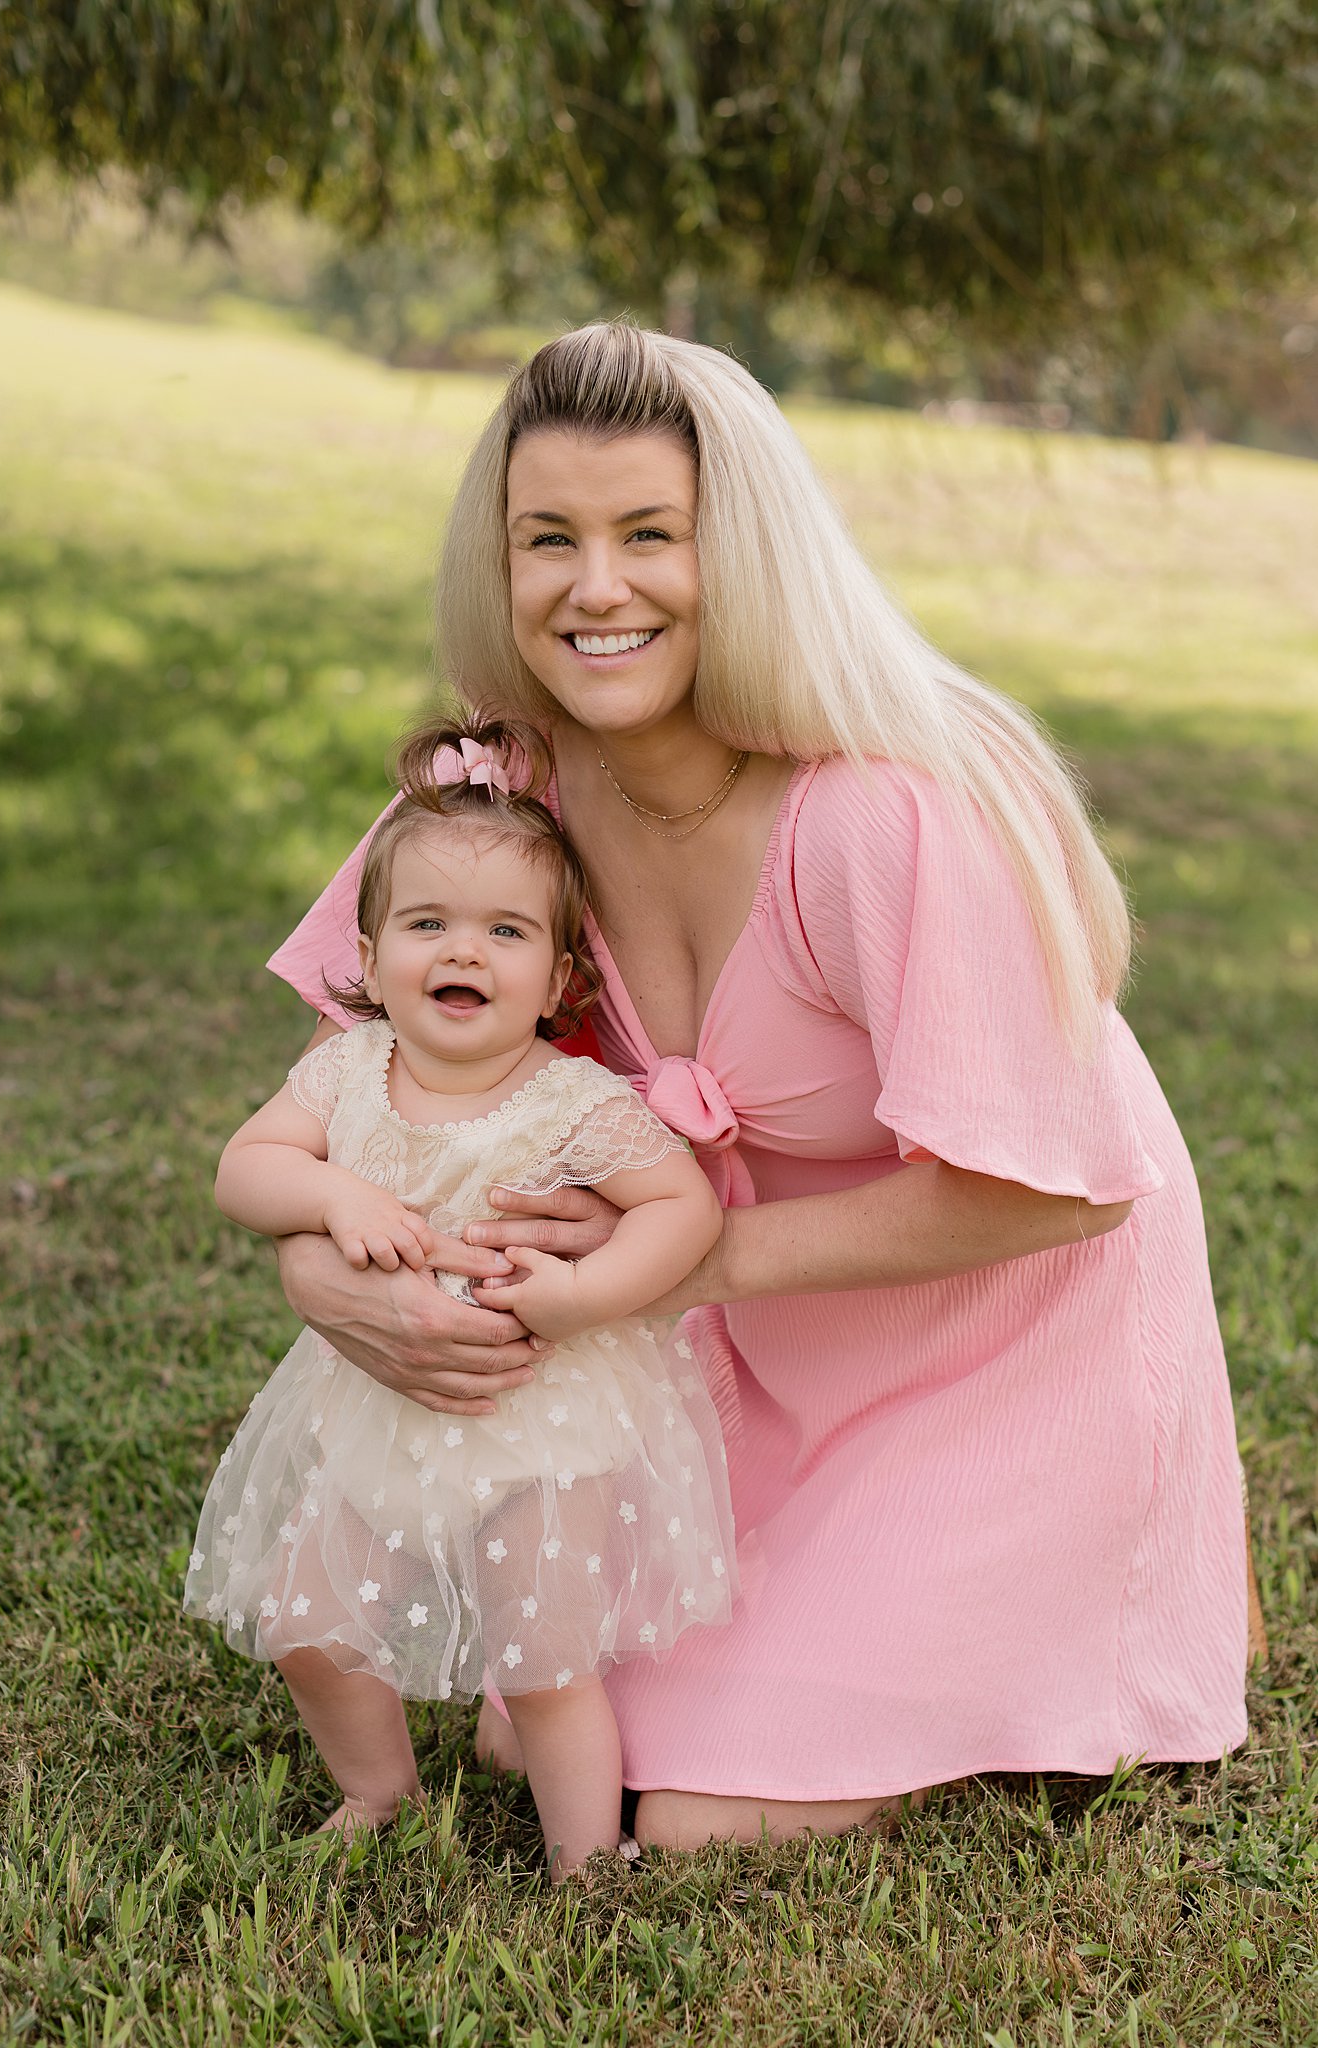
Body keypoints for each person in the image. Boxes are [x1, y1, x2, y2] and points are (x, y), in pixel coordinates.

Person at [267, 322, 1251, 1851]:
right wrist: (330, 1276)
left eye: (650, 534)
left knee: (687, 1822)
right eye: (550, 541)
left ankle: (1123, 1577)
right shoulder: (502, 798)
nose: (597, 589)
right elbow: (338, 1094)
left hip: (998, 1363)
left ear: (747, 550)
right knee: (534, 1740)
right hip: (744, 1361)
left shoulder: (881, 818)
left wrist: (683, 1263)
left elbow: (1056, 1185)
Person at [185, 710, 735, 1876]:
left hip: (539, 1418)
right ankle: (375, 1792)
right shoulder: (345, 1073)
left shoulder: (572, 1098)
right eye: (426, 923)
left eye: (505, 930)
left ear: (560, 976)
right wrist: (331, 1199)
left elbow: (682, 1207)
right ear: (372, 954)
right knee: (306, 1623)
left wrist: (586, 1294)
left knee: (543, 1658)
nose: (462, 952)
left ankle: (584, 1858)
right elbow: (245, 1167)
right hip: (377, 1412)